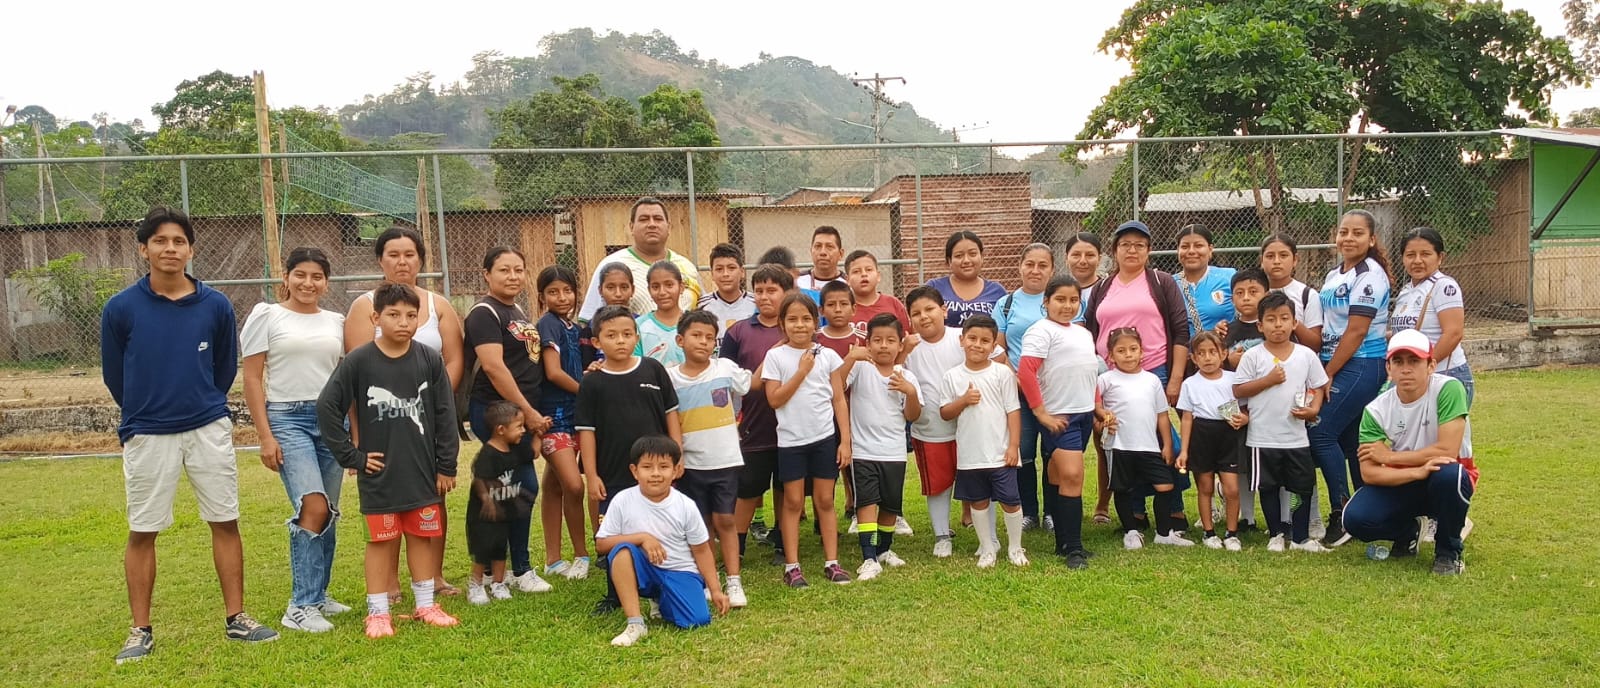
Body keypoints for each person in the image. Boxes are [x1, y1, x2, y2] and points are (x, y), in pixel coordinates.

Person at [103, 206, 276, 663]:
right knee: (143, 530)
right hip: (147, 432)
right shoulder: (121, 308)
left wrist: (202, 405)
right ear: (143, 250)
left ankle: (237, 618)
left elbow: (222, 369)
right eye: (160, 241)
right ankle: (140, 630)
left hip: (207, 427)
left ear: (191, 249)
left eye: (179, 241)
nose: (170, 249)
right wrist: (147, 410)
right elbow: (115, 376)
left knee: (225, 520)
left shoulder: (215, 305)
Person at [317, 283, 461, 638]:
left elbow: (445, 412)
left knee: (422, 536)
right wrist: (352, 456)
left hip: (422, 470)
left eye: (411, 315)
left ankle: (426, 605)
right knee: (380, 541)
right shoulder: (360, 361)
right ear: (375, 318)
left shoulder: (429, 359)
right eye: (394, 315)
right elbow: (327, 407)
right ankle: (378, 613)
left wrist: (446, 465)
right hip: (379, 472)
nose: (404, 322)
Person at [345, 225, 464, 599]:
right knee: (389, 500)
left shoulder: (438, 305)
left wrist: (434, 404)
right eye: (393, 255)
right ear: (380, 260)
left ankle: (434, 577)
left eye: (409, 254)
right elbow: (357, 375)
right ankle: (391, 583)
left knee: (432, 494)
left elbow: (454, 359)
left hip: (426, 419)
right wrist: (358, 436)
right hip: (383, 423)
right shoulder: (365, 306)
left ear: (421, 260)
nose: (402, 262)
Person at [240, 247, 349, 633]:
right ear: (285, 277)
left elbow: (346, 377)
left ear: (327, 283)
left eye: (317, 276)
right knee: (312, 506)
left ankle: (319, 594)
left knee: (328, 510)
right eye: (300, 275)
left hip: (331, 420)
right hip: (288, 419)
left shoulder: (336, 321)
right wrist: (265, 436)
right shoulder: (267, 315)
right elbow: (252, 378)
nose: (308, 283)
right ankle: (300, 605)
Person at [1083, 220, 1192, 533]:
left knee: (1165, 442)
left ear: (1149, 250)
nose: (1132, 250)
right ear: (1115, 250)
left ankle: (1173, 509)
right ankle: (1135, 513)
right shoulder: (1103, 287)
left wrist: (1174, 378)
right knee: (1124, 442)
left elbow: (1180, 330)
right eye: (1125, 245)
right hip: (1111, 375)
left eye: (1139, 245)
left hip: (1154, 371)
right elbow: (1090, 331)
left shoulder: (1161, 281)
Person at [576, 305, 684, 616]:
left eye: (627, 334)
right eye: (611, 335)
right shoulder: (592, 383)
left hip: (655, 471)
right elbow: (587, 433)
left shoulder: (652, 369)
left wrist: (677, 455)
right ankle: (615, 594)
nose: (620, 341)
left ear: (637, 337)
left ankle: (662, 589)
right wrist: (592, 475)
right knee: (614, 534)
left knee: (661, 528)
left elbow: (671, 415)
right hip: (612, 473)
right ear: (597, 342)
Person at [1345, 330, 1477, 575]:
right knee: (1355, 519)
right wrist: (1417, 472)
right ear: (1389, 368)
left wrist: (1389, 457)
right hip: (1406, 478)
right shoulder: (1375, 410)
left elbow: (1447, 450)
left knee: (1451, 474)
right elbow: (1369, 474)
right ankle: (1408, 532)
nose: (1406, 369)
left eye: (1414, 361)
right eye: (1398, 362)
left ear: (1431, 365)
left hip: (1443, 476)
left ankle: (1448, 553)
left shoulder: (1449, 389)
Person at [462, 247, 554, 595]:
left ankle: (494, 570)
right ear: (486, 274)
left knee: (513, 489)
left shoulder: (516, 310)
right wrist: (527, 413)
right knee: (518, 487)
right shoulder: (484, 313)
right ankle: (519, 568)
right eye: (504, 270)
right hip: (497, 413)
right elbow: (494, 367)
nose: (513, 276)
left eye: (518, 269)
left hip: (519, 413)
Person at [596, 436, 731, 647]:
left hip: (679, 570)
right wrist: (642, 538)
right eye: (647, 467)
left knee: (697, 620)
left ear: (676, 470)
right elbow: (602, 544)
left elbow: (701, 550)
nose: (656, 473)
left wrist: (715, 590)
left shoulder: (685, 505)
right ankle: (635, 623)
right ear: (634, 471)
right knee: (622, 550)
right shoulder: (622, 500)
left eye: (664, 467)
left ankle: (662, 600)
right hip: (644, 568)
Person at [1312, 209, 1393, 547]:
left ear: (1371, 239)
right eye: (1343, 232)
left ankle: (1342, 512)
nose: (1348, 238)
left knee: (1320, 432)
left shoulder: (1370, 275)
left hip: (1361, 363)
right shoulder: (1336, 273)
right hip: (1336, 361)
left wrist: (1328, 373)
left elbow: (1357, 331)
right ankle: (1367, 514)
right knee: (1349, 441)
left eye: (1357, 233)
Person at [762, 292, 852, 587]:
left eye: (805, 319)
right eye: (792, 319)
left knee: (825, 500)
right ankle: (792, 566)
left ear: (816, 322)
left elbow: (838, 400)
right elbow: (774, 399)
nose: (799, 325)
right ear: (782, 324)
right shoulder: (775, 357)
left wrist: (845, 441)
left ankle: (832, 562)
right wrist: (801, 372)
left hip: (824, 439)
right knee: (793, 501)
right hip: (791, 443)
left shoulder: (828, 356)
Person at [667, 309, 753, 608]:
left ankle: (734, 579)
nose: (703, 342)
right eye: (696, 335)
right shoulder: (670, 378)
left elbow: (750, 383)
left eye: (709, 337)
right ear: (680, 340)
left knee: (725, 519)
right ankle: (707, 579)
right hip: (691, 464)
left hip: (726, 460)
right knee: (701, 524)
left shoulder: (725, 368)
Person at [1232, 292, 1330, 553]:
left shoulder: (1306, 355)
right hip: (1262, 437)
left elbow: (1318, 386)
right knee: (1269, 487)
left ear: (1294, 322)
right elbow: (1239, 389)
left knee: (1302, 488)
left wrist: (1313, 409)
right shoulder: (1253, 356)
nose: (1278, 325)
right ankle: (1276, 534)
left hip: (1296, 438)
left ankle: (1300, 538)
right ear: (1260, 325)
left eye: (1284, 318)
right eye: (1271, 319)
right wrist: (1268, 380)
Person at [1018, 276, 1099, 569]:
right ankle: (1074, 549)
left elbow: (1089, 372)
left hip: (1084, 414)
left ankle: (1061, 542)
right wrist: (1040, 413)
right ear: (1046, 302)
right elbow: (1026, 372)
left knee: (1057, 474)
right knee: (1073, 475)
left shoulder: (1083, 333)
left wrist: (1097, 408)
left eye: (1073, 300)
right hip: (1060, 416)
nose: (1067, 306)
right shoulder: (1040, 331)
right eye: (1060, 299)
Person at [834, 313, 923, 580]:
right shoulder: (861, 368)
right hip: (863, 452)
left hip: (894, 453)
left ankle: (884, 550)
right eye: (877, 340)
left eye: (890, 340)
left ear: (900, 344)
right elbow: (836, 385)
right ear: (868, 343)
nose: (884, 345)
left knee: (890, 506)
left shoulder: (906, 376)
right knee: (867, 503)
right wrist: (850, 358)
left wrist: (910, 392)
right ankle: (869, 557)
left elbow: (912, 415)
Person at [720, 265, 793, 565]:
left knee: (786, 486)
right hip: (753, 424)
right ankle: (736, 546)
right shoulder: (738, 332)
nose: (764, 296)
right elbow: (726, 377)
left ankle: (783, 542)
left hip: (791, 425)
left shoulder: (796, 328)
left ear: (787, 293)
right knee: (749, 487)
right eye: (759, 290)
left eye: (772, 290)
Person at [940, 315, 1026, 568]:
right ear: (962, 340)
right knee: (978, 502)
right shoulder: (952, 376)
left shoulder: (1002, 373)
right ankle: (987, 548)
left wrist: (1013, 446)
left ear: (993, 346)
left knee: (1011, 502)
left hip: (1001, 453)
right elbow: (945, 412)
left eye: (985, 341)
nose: (977, 345)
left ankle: (1015, 548)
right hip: (971, 454)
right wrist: (964, 400)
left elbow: (1013, 411)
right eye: (972, 338)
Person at [1096, 328, 1189, 550]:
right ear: (1111, 356)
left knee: (1165, 485)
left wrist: (1167, 444)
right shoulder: (1105, 380)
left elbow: (1162, 415)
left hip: (1149, 446)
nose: (1128, 354)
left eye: (1133, 349)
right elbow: (1095, 406)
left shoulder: (1152, 380)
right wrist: (1102, 419)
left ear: (1142, 352)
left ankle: (1164, 533)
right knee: (1123, 489)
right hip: (1119, 446)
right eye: (1121, 350)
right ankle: (1131, 532)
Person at [533, 265, 593, 581]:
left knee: (554, 485)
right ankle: (581, 555)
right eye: (553, 292)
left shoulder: (574, 327)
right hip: (554, 416)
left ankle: (553, 560)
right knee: (573, 484)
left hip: (575, 415)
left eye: (567, 290)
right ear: (542, 296)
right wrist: (586, 391)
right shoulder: (547, 324)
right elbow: (554, 372)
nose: (562, 297)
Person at [903, 286, 966, 558]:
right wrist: (902, 352)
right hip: (930, 429)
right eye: (916, 313)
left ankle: (987, 535)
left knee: (978, 481)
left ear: (944, 310)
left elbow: (995, 357)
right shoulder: (909, 347)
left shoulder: (962, 337)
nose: (924, 316)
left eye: (929, 309)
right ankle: (942, 535)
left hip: (969, 427)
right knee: (938, 486)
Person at [995, 243, 1054, 530]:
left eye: (1042, 265)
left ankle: (1052, 513)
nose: (1035, 270)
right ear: (1020, 266)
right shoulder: (1006, 304)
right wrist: (1018, 379)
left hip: (1054, 393)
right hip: (1018, 392)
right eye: (1030, 264)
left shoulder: (1062, 299)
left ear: (1052, 270)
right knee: (1024, 452)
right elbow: (998, 349)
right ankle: (1029, 512)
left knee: (1053, 453)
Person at [1175, 331, 1248, 551]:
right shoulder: (1190, 384)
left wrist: (1245, 418)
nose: (1207, 358)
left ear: (1223, 354)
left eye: (1212, 352)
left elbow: (1246, 407)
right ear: (1194, 358)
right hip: (1201, 436)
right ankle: (1209, 532)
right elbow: (1187, 418)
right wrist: (1184, 451)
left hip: (1228, 436)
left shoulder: (1233, 380)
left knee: (1232, 489)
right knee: (1205, 487)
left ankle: (1232, 533)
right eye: (1201, 353)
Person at [577, 197, 703, 322]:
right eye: (644, 219)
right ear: (631, 227)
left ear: (669, 227)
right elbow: (589, 321)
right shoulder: (611, 265)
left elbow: (704, 311)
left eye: (658, 219)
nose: (652, 224)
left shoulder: (687, 267)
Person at [1063, 231, 1114, 524]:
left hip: (1102, 373)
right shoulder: (1058, 288)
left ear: (1100, 257)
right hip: (1067, 379)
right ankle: (1064, 504)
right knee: (1068, 443)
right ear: (1066, 257)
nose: (1083, 260)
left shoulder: (1108, 289)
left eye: (1090, 255)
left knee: (1103, 438)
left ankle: (1103, 505)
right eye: (1076, 254)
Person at [1392, 227, 1473, 406]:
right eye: (1410, 255)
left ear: (1440, 257)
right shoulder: (1406, 291)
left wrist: (1426, 367)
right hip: (1413, 375)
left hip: (1443, 375)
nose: (1417, 261)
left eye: (1425, 254)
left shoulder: (1444, 287)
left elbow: (1453, 333)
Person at [465, 401, 536, 605]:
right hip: (484, 515)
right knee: (483, 550)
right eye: (519, 426)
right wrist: (487, 500)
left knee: (500, 548)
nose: (523, 430)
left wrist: (539, 433)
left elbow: (534, 453)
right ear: (501, 429)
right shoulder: (488, 454)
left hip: (503, 511)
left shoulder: (514, 449)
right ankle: (476, 585)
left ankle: (498, 583)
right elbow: (479, 480)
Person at [927, 230, 1008, 327]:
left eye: (972, 254)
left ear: (982, 257)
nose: (966, 260)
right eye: (959, 256)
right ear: (949, 261)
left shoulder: (997, 291)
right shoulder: (934, 288)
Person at [1258, 233, 1324, 348]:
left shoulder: (1307, 295)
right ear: (1262, 261)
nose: (1276, 261)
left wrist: (1289, 319)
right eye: (1270, 256)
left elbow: (1315, 344)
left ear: (1295, 260)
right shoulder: (1253, 294)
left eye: (1283, 255)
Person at [1173, 224, 1237, 338]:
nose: (1191, 251)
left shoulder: (1229, 277)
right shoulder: (1169, 284)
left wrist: (1229, 327)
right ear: (1178, 250)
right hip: (1184, 349)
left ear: (1210, 249)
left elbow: (1248, 314)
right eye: (1185, 246)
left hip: (1225, 347)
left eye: (1198, 246)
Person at [580, 263, 636, 367]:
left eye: (624, 287)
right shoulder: (591, 328)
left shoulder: (641, 324)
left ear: (632, 290)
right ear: (600, 290)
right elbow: (587, 367)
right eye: (610, 288)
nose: (618, 294)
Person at [699, 243, 756, 344]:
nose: (725, 274)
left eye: (731, 268)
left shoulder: (756, 303)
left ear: (742, 272)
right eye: (719, 269)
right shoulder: (701, 305)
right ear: (712, 274)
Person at [844, 249, 910, 332]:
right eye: (856, 271)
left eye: (869, 270)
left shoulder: (894, 304)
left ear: (878, 276)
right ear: (847, 280)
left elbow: (906, 336)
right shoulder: (843, 308)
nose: (864, 274)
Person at [636, 260, 688, 366]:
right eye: (655, 287)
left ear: (681, 287)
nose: (662, 292)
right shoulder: (638, 326)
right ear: (649, 290)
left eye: (669, 285)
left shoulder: (694, 323)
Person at [816, 280, 865, 357]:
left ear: (853, 309)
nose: (838, 309)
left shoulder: (864, 338)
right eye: (831, 304)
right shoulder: (815, 338)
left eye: (844, 304)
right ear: (821, 311)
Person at [794, 225, 847, 291]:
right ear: (811, 251)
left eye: (829, 247)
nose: (823, 252)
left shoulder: (848, 284)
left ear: (841, 254)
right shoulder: (797, 282)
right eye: (818, 246)